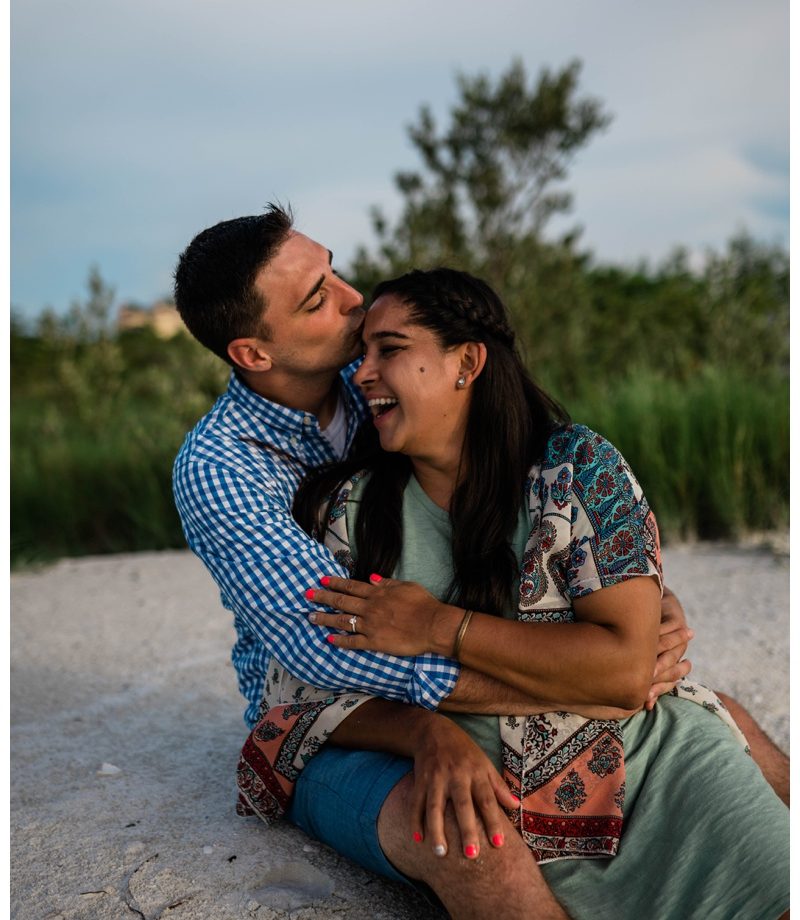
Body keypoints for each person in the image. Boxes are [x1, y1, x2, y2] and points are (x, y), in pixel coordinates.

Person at [171, 207, 787, 917]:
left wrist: (631, 599)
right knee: (475, 841)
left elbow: (533, 494)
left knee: (716, 720)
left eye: (335, 271)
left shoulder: (372, 380)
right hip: (343, 713)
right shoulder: (224, 467)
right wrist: (577, 678)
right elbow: (322, 656)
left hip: (459, 663)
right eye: (318, 298)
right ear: (254, 353)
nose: (352, 297)